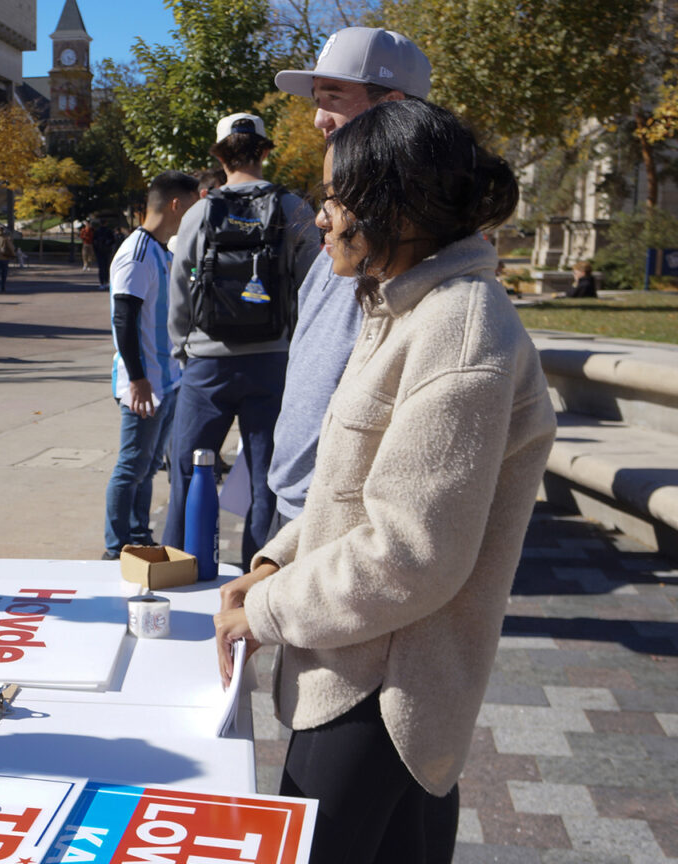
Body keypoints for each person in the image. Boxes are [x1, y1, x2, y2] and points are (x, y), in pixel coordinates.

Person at [213, 99, 556, 864]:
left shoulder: (458, 331)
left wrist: (263, 610)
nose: (322, 219)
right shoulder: (406, 308)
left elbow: (410, 554)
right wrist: (274, 559)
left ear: (394, 207)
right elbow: (354, 489)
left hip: (384, 702)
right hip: (358, 677)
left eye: (336, 200)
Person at [265, 27, 432, 531]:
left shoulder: (415, 250)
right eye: (317, 100)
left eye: (334, 97)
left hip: (345, 524)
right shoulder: (335, 236)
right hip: (293, 509)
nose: (318, 118)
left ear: (393, 105)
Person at [164, 113, 320, 565]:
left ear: (219, 156)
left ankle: (182, 568)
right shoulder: (293, 209)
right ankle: (258, 579)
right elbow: (312, 288)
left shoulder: (199, 212)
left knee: (190, 474)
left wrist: (182, 350)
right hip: (273, 362)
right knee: (266, 478)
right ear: (265, 151)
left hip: (207, 364)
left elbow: (179, 293)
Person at [102, 171, 201, 560]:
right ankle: (115, 548)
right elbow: (124, 318)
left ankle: (138, 536)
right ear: (176, 204)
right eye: (192, 205)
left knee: (145, 469)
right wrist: (139, 380)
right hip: (145, 383)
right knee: (131, 467)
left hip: (166, 379)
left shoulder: (162, 250)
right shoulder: (137, 252)